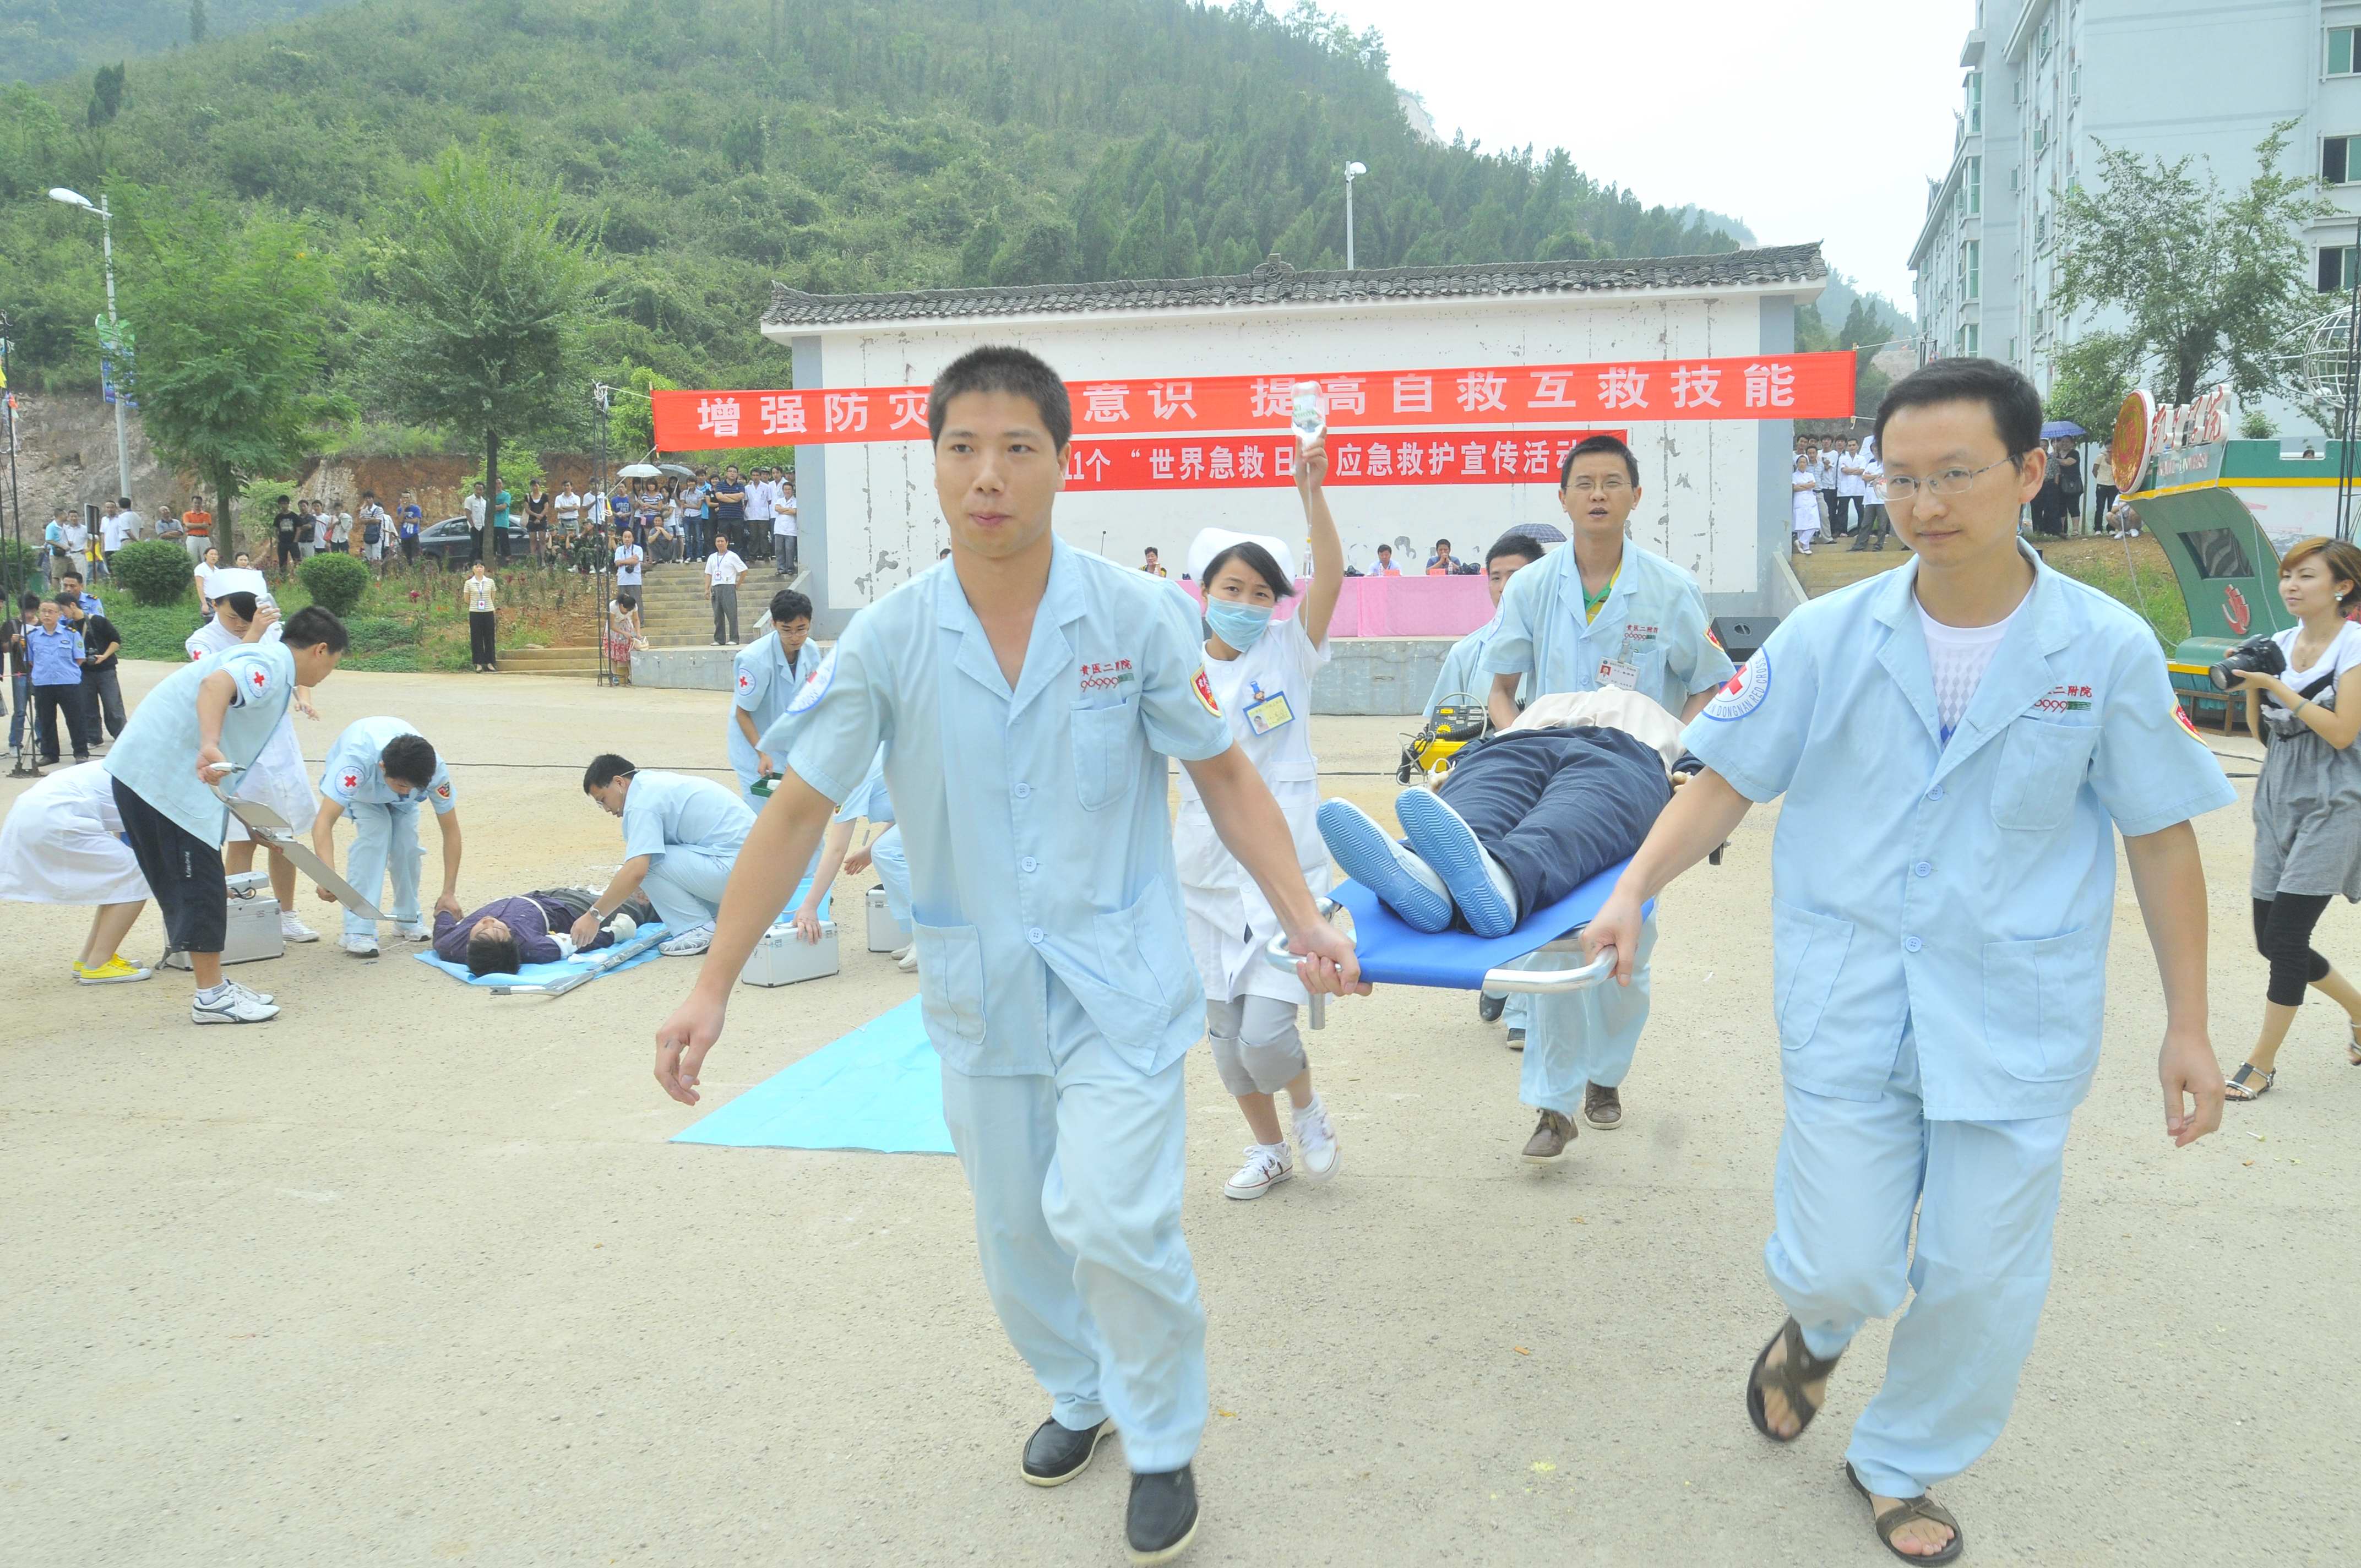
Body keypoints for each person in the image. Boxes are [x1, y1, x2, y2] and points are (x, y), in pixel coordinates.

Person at [648, 346, 1358, 1567]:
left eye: (1017, 448)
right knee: (1016, 1232)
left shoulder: (1136, 617)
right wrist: (712, 980)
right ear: (933, 465)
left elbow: (1225, 775)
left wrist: (1301, 916)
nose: (988, 475)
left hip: (1119, 981)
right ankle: (1080, 1391)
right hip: (981, 987)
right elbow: (797, 808)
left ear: (1060, 463)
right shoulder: (888, 640)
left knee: (1113, 1216)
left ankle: (1160, 1434)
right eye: (963, 448)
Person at [1581, 357, 2233, 1562]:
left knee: (1980, 1276)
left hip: (2012, 1010)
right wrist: (1631, 890)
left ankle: (1899, 1458)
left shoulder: (2102, 646)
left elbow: (2157, 832)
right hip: (1853, 997)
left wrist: (2185, 1022)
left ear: (2028, 473)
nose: (1923, 504)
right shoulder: (1827, 634)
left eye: (1954, 474)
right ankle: (1818, 1328)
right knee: (1839, 1260)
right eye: (1899, 479)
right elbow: (1725, 777)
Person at [1479, 431, 1734, 1151]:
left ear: (1635, 496)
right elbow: (1500, 690)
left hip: (1632, 787)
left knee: (1629, 944)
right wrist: (1516, 742)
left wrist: (1674, 750)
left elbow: (1712, 684)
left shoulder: (1670, 588)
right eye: (1584, 483)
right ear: (1562, 498)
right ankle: (1552, 1105)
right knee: (1556, 940)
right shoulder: (1531, 587)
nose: (1597, 495)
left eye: (1611, 482)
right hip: (1551, 779)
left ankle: (1606, 1072)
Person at [1178, 442, 1347, 1203]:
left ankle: (1307, 1109)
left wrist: (1313, 495)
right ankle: (1270, 1150)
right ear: (1204, 592)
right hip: (1205, 880)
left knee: (1267, 1038)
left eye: (1260, 594)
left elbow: (1332, 575)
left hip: (1286, 876)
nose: (1246, 605)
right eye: (1232, 590)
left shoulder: (1289, 652)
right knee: (1226, 1048)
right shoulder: (1179, 667)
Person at [107, 605, 350, 1023]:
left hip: (162, 779)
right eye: (334, 662)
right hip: (163, 783)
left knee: (204, 884)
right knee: (202, 886)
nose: (330, 673)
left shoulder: (269, 662)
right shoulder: (270, 666)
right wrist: (210, 742)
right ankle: (211, 998)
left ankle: (214, 987)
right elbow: (216, 684)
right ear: (320, 650)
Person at [2220, 536, 2361, 1100]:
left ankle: (2261, 1063)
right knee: (2267, 937)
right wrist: (2248, 687)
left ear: (2342, 587)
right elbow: (2264, 736)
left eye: (2306, 576)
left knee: (2286, 934)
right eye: (2287, 575)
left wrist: (2273, 684)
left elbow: (2342, 733)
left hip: (2337, 797)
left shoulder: (2353, 646)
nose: (2291, 586)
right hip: (2279, 791)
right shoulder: (2278, 643)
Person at [185, 574, 327, 947]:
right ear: (213, 605)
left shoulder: (272, 630)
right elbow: (220, 677)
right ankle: (237, 919)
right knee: (242, 838)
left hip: (278, 744)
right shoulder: (201, 642)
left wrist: (303, 697)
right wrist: (254, 633)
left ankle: (287, 915)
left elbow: (295, 666)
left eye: (247, 618)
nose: (240, 625)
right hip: (236, 748)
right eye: (232, 617)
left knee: (283, 836)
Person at [312, 718, 465, 958]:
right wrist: (328, 877)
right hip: (364, 794)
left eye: (412, 787)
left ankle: (407, 918)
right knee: (375, 837)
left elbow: (451, 831)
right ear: (382, 767)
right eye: (401, 785)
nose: (405, 791)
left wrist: (449, 893)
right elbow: (323, 822)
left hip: (405, 802)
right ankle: (359, 929)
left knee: (407, 846)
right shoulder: (355, 762)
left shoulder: (434, 770)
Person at [578, 755, 754, 957]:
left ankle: (697, 928)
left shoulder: (641, 802)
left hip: (738, 875)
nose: (606, 809)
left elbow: (637, 870)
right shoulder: (652, 786)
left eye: (603, 800)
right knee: (642, 864)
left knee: (645, 863)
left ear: (619, 782)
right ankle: (716, 920)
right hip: (753, 874)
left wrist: (594, 916)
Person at [0, 760, 156, 984]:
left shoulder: (132, 763)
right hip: (58, 816)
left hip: (39, 811)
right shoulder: (156, 777)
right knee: (136, 875)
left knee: (121, 878)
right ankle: (99, 965)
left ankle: (88, 959)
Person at [727, 587, 822, 808]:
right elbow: (743, 714)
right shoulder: (754, 660)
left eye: (801, 629)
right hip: (755, 748)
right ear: (774, 624)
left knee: (796, 813)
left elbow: (813, 700)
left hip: (790, 745)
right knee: (763, 816)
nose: (795, 637)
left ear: (810, 623)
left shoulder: (811, 651)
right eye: (786, 630)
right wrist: (762, 753)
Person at [437, 886, 656, 976]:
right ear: (512, 940)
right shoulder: (533, 948)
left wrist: (446, 905)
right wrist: (616, 933)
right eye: (498, 930)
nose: (488, 921)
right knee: (640, 906)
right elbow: (578, 941)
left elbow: (443, 913)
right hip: (568, 907)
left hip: (537, 895)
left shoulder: (449, 943)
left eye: (483, 930)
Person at [27, 594, 91, 763]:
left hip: (68, 683)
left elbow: (79, 659)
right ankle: (50, 754)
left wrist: (65, 671)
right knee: (46, 720)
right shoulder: (33, 636)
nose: (47, 615)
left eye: (51, 611)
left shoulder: (71, 634)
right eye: (44, 611)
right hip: (43, 683)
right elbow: (32, 661)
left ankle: (81, 752)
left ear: (59, 615)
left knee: (75, 718)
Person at [64, 595, 126, 746]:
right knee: (88, 706)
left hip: (106, 670)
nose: (62, 614)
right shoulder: (69, 627)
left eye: (63, 610)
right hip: (83, 672)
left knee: (113, 705)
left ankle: (121, 735)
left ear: (72, 605)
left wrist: (104, 656)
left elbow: (116, 640)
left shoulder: (98, 621)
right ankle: (93, 738)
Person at [1849, 442, 1893, 553]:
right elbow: (1864, 477)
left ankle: (1879, 545)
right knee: (1866, 523)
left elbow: (1886, 477)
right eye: (1874, 450)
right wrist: (1876, 477)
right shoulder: (1871, 464)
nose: (1876, 452)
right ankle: (1859, 546)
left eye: (1878, 450)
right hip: (1869, 498)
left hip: (1882, 496)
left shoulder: (1887, 465)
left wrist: (1872, 477)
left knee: (1882, 524)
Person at [706, 532, 747, 645]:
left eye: (722, 541)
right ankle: (719, 639)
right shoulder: (712, 557)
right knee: (718, 615)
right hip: (716, 587)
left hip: (728, 586)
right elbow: (708, 574)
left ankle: (734, 638)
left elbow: (744, 570)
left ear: (727, 543)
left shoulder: (732, 556)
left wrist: (738, 584)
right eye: (718, 541)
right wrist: (707, 589)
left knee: (731, 614)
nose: (720, 543)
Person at [463, 560, 498, 672]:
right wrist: (475, 604)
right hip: (475, 612)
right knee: (476, 637)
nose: (479, 569)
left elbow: (492, 597)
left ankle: (490, 662)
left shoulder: (490, 582)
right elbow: (467, 599)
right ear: (473, 569)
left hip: (488, 611)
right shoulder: (469, 583)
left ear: (484, 569)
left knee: (489, 637)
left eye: (481, 567)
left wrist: (487, 605)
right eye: (477, 567)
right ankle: (479, 663)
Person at [606, 591, 645, 684]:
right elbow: (612, 626)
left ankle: (632, 675)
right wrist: (624, 633)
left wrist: (638, 633)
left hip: (626, 624)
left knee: (628, 650)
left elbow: (636, 619)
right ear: (621, 605)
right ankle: (614, 675)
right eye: (626, 610)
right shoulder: (613, 606)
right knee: (614, 651)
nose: (627, 611)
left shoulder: (633, 606)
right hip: (615, 627)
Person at [1791, 453, 1823, 554]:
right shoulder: (1793, 476)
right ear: (1797, 464)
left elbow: (1813, 485)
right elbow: (1795, 488)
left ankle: (1801, 542)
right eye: (1800, 462)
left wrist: (1802, 486)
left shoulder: (1810, 475)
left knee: (1814, 524)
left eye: (1804, 462)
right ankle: (1805, 547)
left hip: (1810, 501)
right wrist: (1807, 486)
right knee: (1802, 525)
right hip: (1799, 501)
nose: (1802, 464)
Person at [2054, 443, 2084, 535]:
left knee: (2074, 506)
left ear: (2071, 444)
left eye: (2067, 441)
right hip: (2060, 484)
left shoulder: (2075, 453)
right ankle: (2061, 529)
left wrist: (2055, 459)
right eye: (2062, 441)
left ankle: (2075, 529)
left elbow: (2067, 463)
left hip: (2073, 484)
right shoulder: (2057, 454)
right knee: (2061, 508)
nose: (2064, 444)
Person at [775, 476, 800, 579]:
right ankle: (781, 569)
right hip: (779, 529)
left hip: (791, 530)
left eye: (789, 489)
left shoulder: (796, 501)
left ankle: (790, 569)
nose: (787, 491)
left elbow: (794, 511)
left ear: (792, 490)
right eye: (785, 489)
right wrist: (787, 510)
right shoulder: (780, 500)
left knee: (790, 550)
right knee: (779, 550)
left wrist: (783, 510)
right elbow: (777, 509)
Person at [358, 492, 389, 570]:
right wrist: (371, 520)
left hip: (377, 536)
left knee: (377, 558)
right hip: (367, 535)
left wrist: (367, 521)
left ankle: (378, 574)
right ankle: (372, 573)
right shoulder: (364, 511)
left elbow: (377, 521)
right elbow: (361, 521)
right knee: (369, 558)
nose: (368, 500)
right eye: (366, 499)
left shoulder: (379, 509)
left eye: (370, 498)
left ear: (373, 499)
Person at [273, 498, 302, 576]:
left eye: (285, 503)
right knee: (282, 562)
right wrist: (278, 540)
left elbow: (299, 529)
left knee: (297, 561)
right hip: (282, 543)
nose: (284, 506)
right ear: (279, 505)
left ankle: (298, 577)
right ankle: (283, 578)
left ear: (288, 504)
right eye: (282, 504)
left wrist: (295, 541)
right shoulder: (278, 517)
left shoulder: (294, 516)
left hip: (293, 542)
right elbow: (275, 530)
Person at [181, 493, 213, 564]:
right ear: (192, 504)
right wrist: (201, 525)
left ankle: (207, 571)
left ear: (201, 504)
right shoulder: (187, 514)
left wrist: (191, 526)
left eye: (199, 503)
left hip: (204, 538)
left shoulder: (206, 515)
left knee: (207, 557)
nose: (197, 505)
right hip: (192, 538)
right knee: (192, 558)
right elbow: (187, 525)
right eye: (195, 503)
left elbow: (205, 526)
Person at [525, 481, 551, 563]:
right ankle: (533, 561)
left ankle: (543, 561)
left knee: (542, 541)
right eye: (533, 486)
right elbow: (527, 509)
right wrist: (536, 515)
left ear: (539, 486)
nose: (534, 488)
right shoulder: (528, 496)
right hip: (531, 520)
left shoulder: (544, 496)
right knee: (533, 541)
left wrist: (540, 516)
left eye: (536, 486)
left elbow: (546, 508)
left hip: (542, 521)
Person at [2091, 448, 2117, 523]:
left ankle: (2111, 527)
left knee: (2112, 507)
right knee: (2100, 507)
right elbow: (2094, 470)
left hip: (2113, 485)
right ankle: (2098, 527)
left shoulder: (2117, 457)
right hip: (2102, 485)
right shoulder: (2100, 457)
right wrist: (2100, 479)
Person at [398, 491, 424, 565]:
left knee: (415, 555)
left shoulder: (416, 509)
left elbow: (416, 521)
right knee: (406, 556)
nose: (406, 500)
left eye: (407, 498)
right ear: (402, 499)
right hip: (404, 536)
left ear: (410, 499)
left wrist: (405, 520)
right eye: (404, 498)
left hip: (413, 535)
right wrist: (403, 509)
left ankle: (416, 569)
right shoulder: (400, 509)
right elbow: (400, 520)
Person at [465, 484, 489, 563]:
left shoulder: (484, 502)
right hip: (474, 527)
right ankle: (471, 564)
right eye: (477, 489)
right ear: (474, 489)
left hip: (483, 527)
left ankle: (480, 565)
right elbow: (468, 514)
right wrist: (473, 526)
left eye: (481, 490)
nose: (479, 491)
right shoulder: (469, 500)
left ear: (483, 491)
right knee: (476, 547)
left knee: (482, 548)